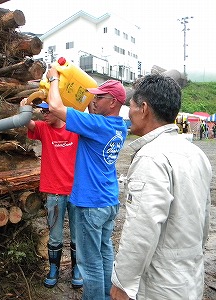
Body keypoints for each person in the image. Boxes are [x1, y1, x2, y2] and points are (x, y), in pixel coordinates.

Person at [110, 74, 212, 300]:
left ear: (144, 108)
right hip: (190, 277)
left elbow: (141, 228)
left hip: (160, 284)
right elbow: (204, 219)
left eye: (132, 106)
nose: (130, 113)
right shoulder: (196, 154)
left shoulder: (151, 157)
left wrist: (122, 283)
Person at [44, 71, 128, 300]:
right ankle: (105, 296)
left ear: (112, 102)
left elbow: (54, 107)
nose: (93, 101)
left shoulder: (97, 125)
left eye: (99, 98)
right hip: (109, 200)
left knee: (89, 264)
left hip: (90, 203)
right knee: (104, 254)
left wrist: (53, 79)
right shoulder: (119, 127)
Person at [19, 100, 83, 289]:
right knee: (55, 236)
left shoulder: (75, 128)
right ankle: (53, 269)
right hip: (54, 192)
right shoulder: (43, 128)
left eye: (47, 111)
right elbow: (28, 122)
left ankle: (77, 269)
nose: (44, 114)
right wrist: (25, 108)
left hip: (75, 191)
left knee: (77, 235)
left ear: (58, 110)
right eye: (42, 111)